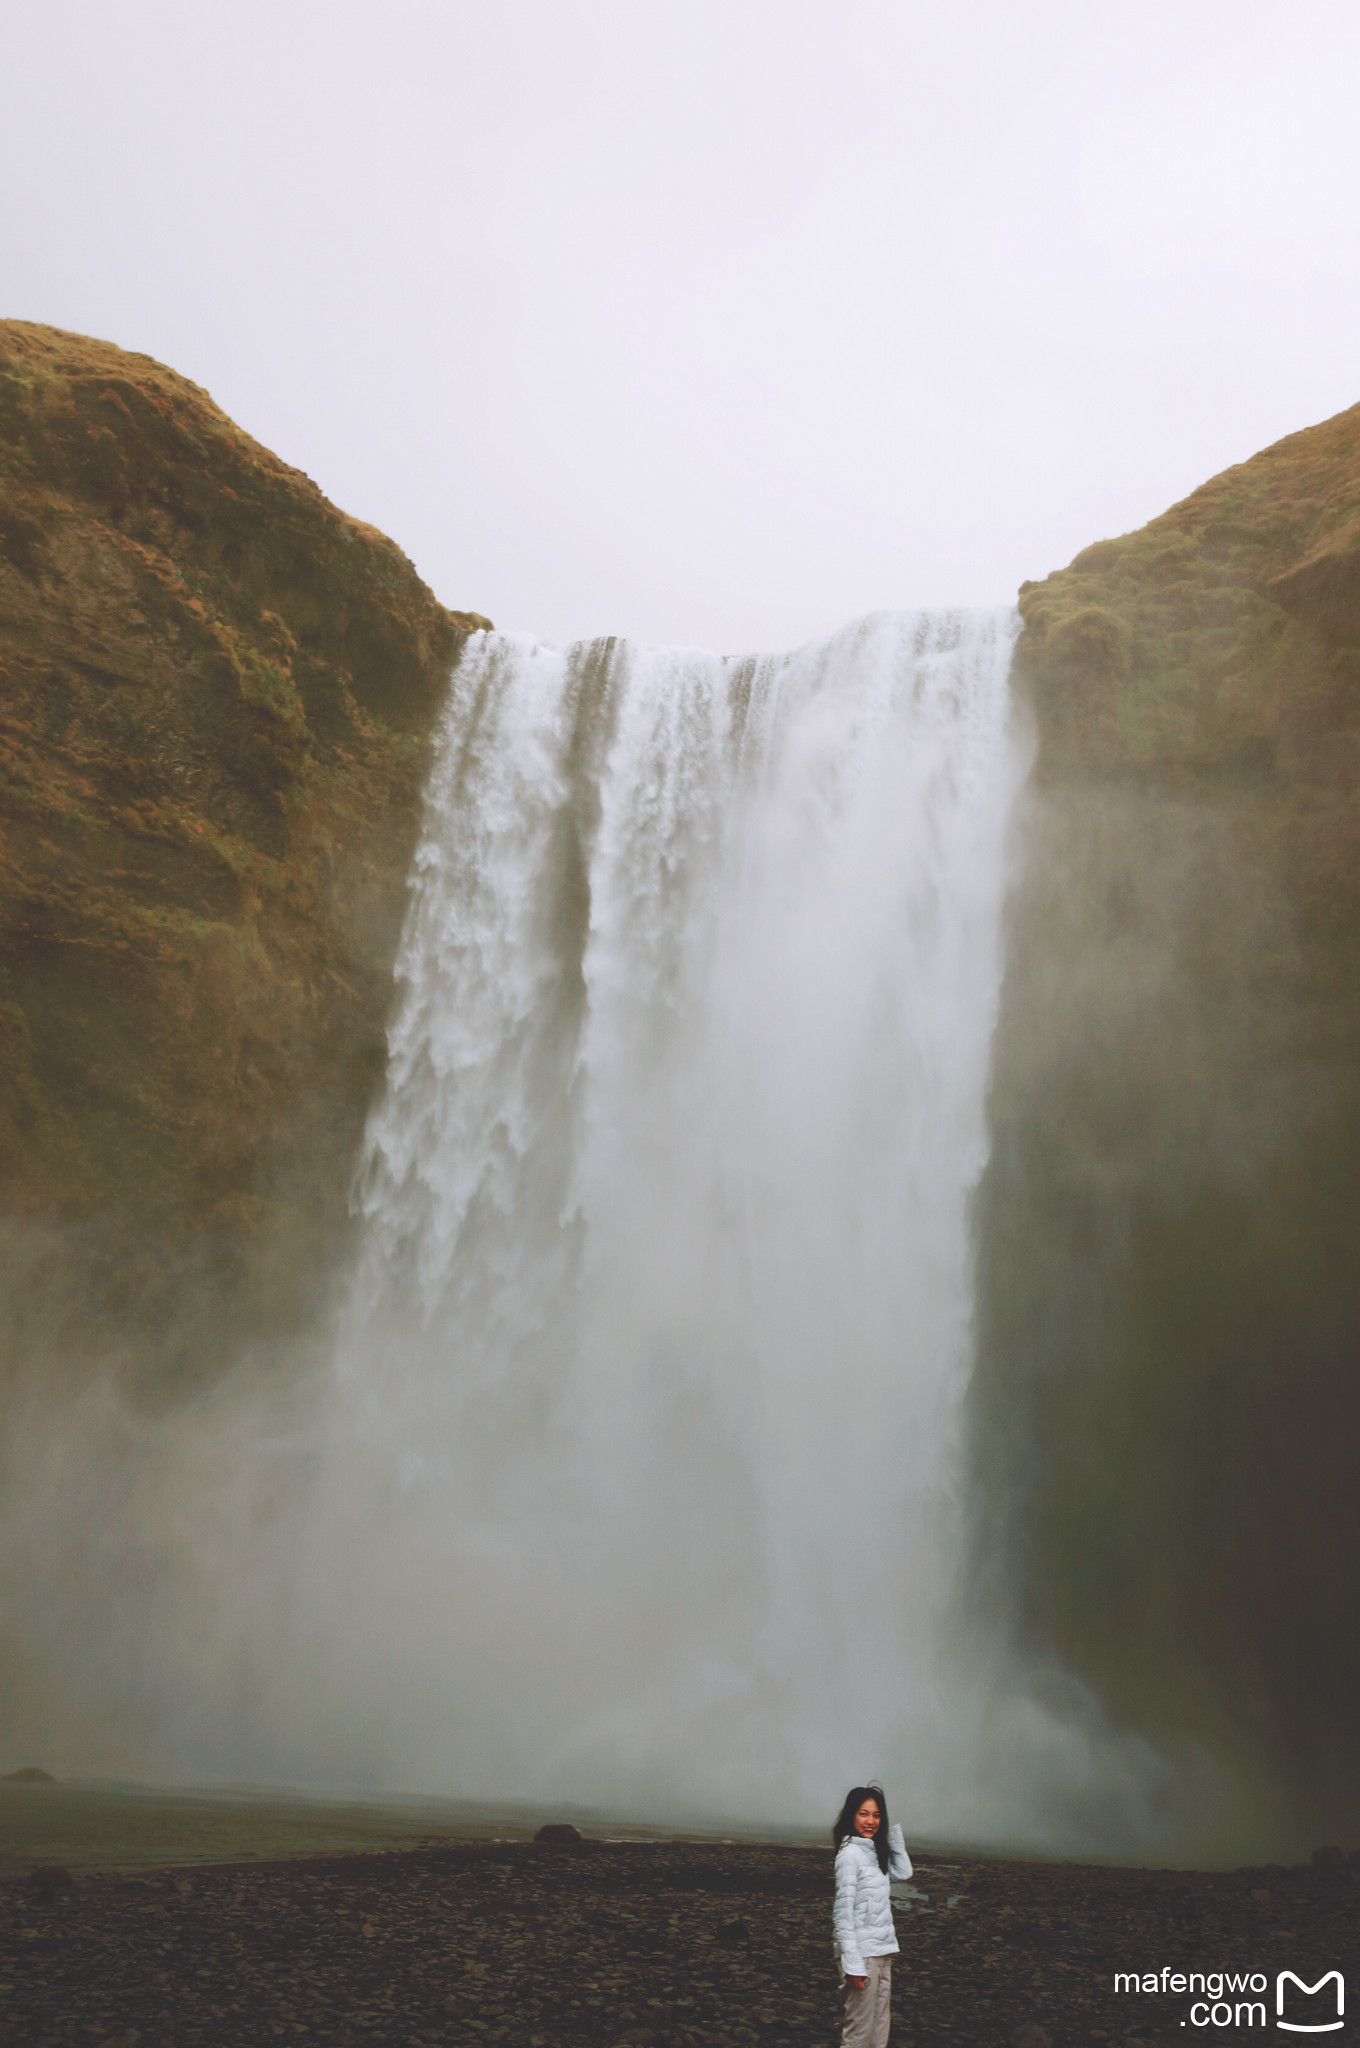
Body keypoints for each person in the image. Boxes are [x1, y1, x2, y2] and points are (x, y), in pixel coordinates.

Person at [831, 1783, 912, 2048]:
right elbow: (843, 1915)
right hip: (863, 1957)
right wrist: (852, 1965)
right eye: (863, 1814)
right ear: (851, 1816)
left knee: (879, 2031)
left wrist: (889, 1835)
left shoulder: (873, 1852)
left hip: (883, 1951)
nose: (870, 1821)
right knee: (858, 2034)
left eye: (876, 1815)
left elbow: (903, 1871)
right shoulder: (849, 1855)